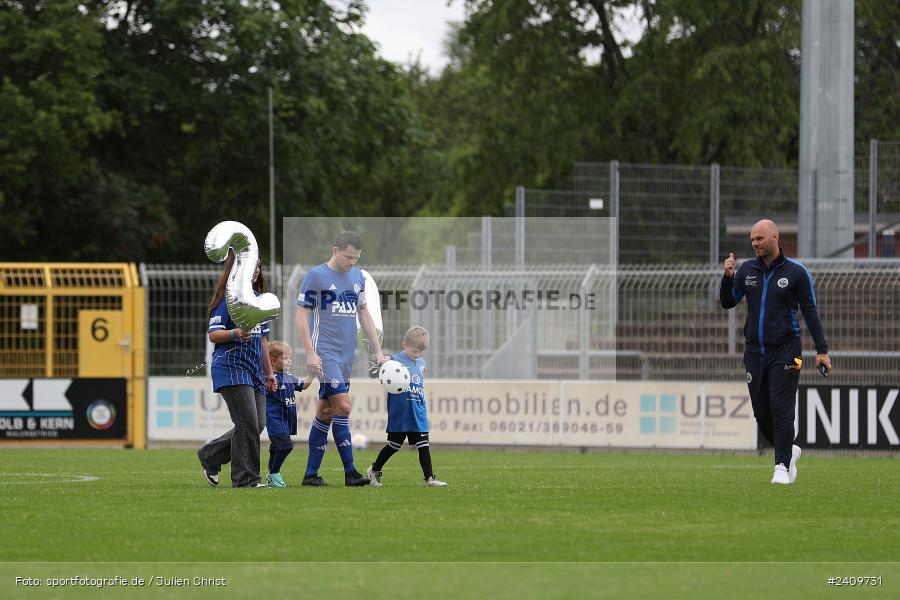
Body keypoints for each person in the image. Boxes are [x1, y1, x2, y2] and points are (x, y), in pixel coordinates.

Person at [720, 219, 832, 485]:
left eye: (759, 239)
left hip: (787, 351)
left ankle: (781, 466)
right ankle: (788, 450)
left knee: (782, 407)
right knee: (761, 412)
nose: (755, 244)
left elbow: (810, 311)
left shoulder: (796, 272)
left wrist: (822, 350)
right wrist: (727, 278)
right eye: (752, 240)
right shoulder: (747, 270)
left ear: (774, 237)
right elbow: (727, 303)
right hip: (754, 353)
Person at [295, 231, 387, 486]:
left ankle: (311, 475)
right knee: (343, 408)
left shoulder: (357, 277)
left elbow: (364, 314)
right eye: (348, 257)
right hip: (325, 353)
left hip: (347, 355)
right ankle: (351, 472)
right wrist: (310, 353)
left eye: (356, 258)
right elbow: (301, 316)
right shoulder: (316, 276)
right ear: (335, 250)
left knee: (325, 412)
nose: (352, 263)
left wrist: (377, 350)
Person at [198, 256, 277, 488]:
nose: (256, 270)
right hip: (231, 366)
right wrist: (235, 333)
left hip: (254, 370)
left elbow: (262, 340)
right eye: (251, 265)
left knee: (257, 424)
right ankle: (246, 479)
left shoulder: (260, 300)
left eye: (259, 266)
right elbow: (214, 334)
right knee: (248, 424)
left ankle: (211, 455)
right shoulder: (230, 298)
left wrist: (269, 373)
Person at [365, 326, 447, 487]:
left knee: (424, 445)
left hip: (418, 412)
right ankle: (374, 470)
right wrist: (381, 363)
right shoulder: (394, 361)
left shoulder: (422, 363)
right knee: (395, 445)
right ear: (404, 345)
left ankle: (430, 478)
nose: (417, 355)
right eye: (414, 351)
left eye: (420, 352)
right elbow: (373, 373)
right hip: (400, 412)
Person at [265, 341, 313, 488]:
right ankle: (274, 473)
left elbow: (303, 385)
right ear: (273, 361)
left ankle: (270, 475)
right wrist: (270, 385)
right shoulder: (269, 378)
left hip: (287, 419)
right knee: (286, 446)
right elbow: (264, 391)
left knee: (275, 447)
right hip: (275, 418)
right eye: (286, 358)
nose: (289, 361)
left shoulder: (289, 375)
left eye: (290, 358)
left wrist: (312, 374)